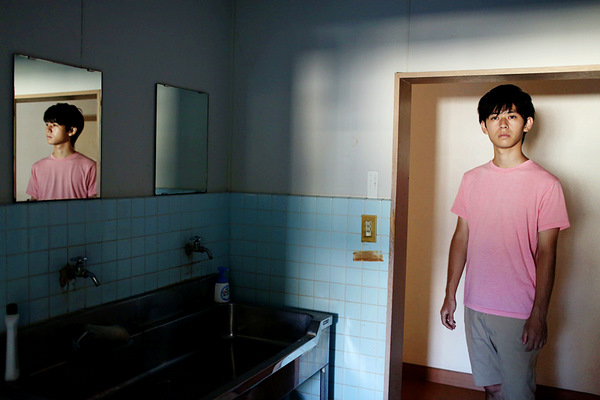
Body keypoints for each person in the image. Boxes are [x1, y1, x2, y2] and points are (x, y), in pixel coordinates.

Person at [440, 84, 570, 400]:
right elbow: (461, 237)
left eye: (511, 116)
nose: (502, 124)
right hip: (475, 303)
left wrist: (539, 313)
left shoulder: (547, 184)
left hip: (518, 309)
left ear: (527, 123)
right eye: (494, 117)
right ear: (484, 126)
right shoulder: (471, 179)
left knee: (517, 392)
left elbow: (547, 252)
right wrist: (450, 294)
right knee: (491, 387)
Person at [26, 103, 97, 200]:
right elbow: (33, 203)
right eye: (47, 124)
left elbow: (94, 205)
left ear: (71, 131)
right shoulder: (37, 168)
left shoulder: (90, 167)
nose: (48, 129)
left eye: (54, 125)